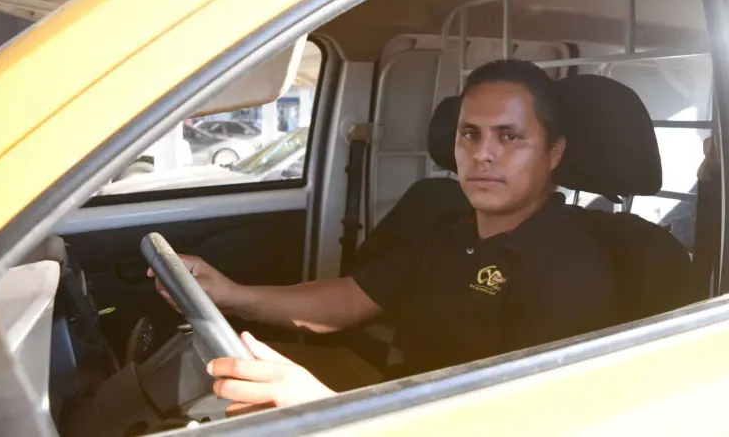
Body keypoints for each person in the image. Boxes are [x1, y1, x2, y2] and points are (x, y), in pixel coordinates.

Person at [149, 59, 620, 413]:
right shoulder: (451, 230)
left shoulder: (571, 273)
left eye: (509, 137)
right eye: (470, 135)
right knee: (196, 374)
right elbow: (354, 298)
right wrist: (231, 296)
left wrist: (322, 407)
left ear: (554, 152)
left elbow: (520, 420)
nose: (483, 155)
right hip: (389, 397)